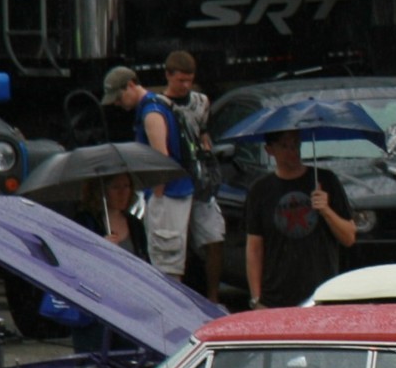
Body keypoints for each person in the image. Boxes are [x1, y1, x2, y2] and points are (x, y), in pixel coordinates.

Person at [241, 129, 355, 308]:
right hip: (276, 297)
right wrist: (256, 299)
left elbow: (349, 237)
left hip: (320, 295)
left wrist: (326, 210)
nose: (292, 151)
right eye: (285, 146)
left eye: (295, 144)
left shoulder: (326, 181)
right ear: (270, 150)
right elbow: (254, 248)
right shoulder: (260, 190)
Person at [106, 66, 196, 280]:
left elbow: (161, 158)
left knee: (166, 265)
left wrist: (157, 194)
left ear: (130, 85)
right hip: (174, 193)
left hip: (167, 196)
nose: (118, 104)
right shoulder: (158, 104)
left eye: (118, 98)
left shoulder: (151, 113)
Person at [164, 51, 226, 300]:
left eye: (189, 80)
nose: (185, 86)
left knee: (215, 236)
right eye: (180, 80)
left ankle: (213, 297)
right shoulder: (159, 104)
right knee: (177, 244)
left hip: (200, 179)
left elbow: (203, 133)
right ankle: (182, 297)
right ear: (169, 75)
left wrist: (208, 152)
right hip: (174, 181)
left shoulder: (201, 102)